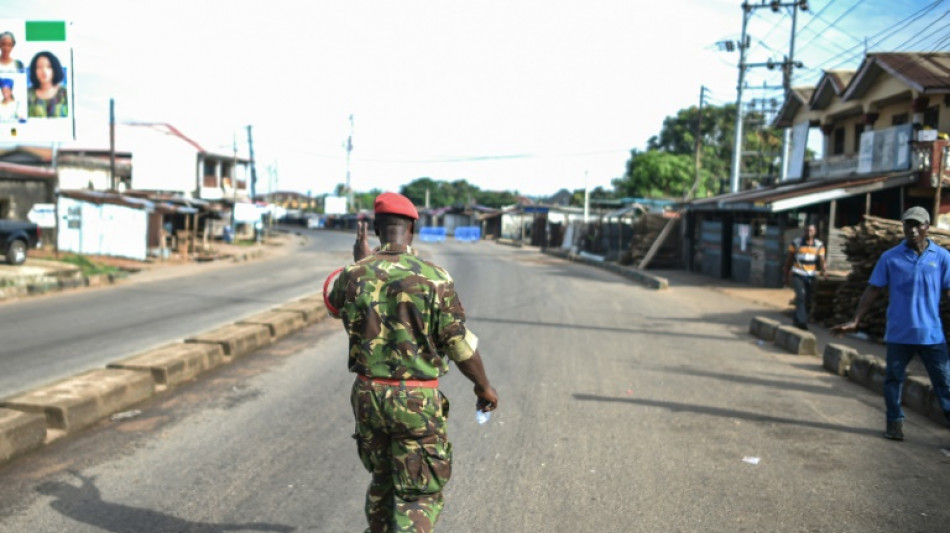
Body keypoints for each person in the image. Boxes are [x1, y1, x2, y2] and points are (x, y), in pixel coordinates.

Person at [327, 192, 498, 533]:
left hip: (368, 396)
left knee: (383, 477)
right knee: (419, 493)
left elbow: (335, 307)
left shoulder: (355, 273)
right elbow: (457, 342)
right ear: (414, 229)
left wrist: (361, 262)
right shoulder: (435, 278)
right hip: (415, 401)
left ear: (376, 230)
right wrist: (483, 387)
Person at [834, 206, 950, 441]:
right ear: (903, 226)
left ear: (928, 227)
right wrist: (856, 320)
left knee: (944, 383)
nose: (913, 229)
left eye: (918, 225)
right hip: (899, 334)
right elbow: (873, 290)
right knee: (893, 380)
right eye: (908, 224)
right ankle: (894, 423)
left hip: (932, 334)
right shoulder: (890, 257)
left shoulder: (942, 258)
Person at [783, 223, 827, 330]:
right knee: (801, 296)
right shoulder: (796, 243)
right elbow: (789, 259)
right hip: (798, 273)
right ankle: (802, 322)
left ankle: (797, 319)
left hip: (811, 275)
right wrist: (786, 275)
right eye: (807, 230)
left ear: (815, 232)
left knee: (807, 299)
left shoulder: (819, 245)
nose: (809, 233)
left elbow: (822, 260)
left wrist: (824, 271)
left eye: (811, 231)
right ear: (804, 231)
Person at [27, 50, 68, 118]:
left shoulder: (65, 93)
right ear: (34, 70)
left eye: (49, 67)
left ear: (55, 69)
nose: (44, 71)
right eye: (39, 67)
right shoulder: (27, 94)